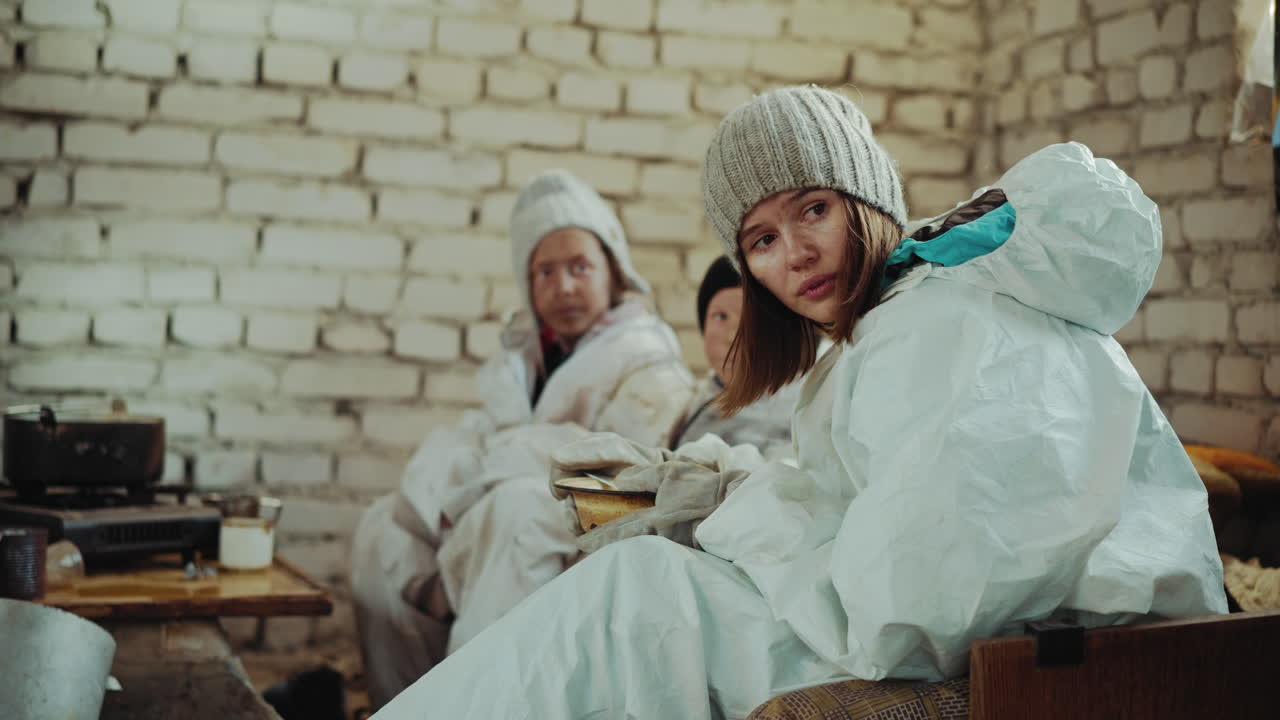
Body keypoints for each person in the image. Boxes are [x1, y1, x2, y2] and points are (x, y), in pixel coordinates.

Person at [371, 86, 1227, 720]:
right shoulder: (902, 318)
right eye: (763, 241)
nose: (797, 256)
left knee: (634, 605)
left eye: (813, 208)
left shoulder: (945, 323)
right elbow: (878, 495)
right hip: (1012, 636)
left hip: (1069, 668)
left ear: (866, 198)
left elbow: (915, 606)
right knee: (635, 591)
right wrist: (731, 488)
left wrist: (741, 527)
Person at [350, 170, 693, 710]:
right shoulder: (519, 363)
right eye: (545, 271)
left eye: (580, 266)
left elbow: (628, 478)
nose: (564, 286)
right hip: (493, 504)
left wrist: (501, 463)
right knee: (381, 528)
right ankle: (406, 702)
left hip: (590, 525)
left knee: (513, 512)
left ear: (613, 271)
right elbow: (479, 439)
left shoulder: (650, 364)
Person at [666, 255, 795, 457]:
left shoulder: (801, 411)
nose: (732, 336)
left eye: (751, 321)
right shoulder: (697, 401)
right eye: (720, 317)